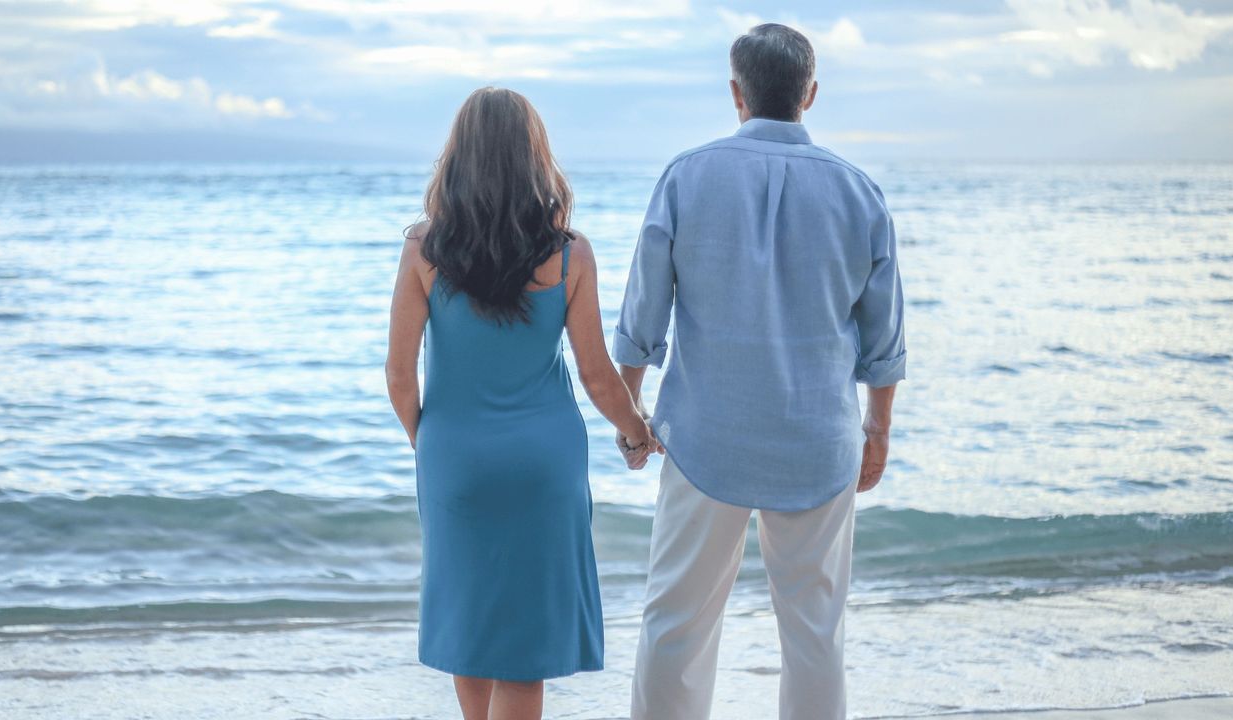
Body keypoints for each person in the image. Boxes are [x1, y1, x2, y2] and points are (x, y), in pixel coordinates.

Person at [612, 23, 908, 720]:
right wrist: (879, 429)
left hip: (706, 441)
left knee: (675, 626)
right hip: (818, 441)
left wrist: (631, 417)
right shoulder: (858, 192)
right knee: (815, 636)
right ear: (810, 94)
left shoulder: (687, 175)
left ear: (736, 94)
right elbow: (884, 337)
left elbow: (642, 319)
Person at [384, 86, 656, 720]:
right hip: (544, 463)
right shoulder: (569, 253)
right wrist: (636, 432)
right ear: (536, 157)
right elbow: (595, 372)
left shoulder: (425, 249)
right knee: (524, 646)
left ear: (459, 157)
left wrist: (432, 446)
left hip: (455, 455)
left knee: (471, 623)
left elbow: (400, 375)